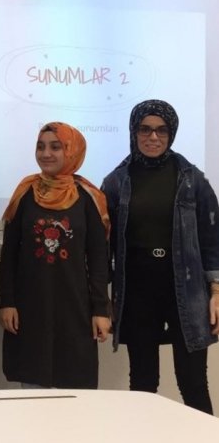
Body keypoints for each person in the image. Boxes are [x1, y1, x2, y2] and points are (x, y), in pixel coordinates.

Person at [102, 100, 219, 414]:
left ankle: (203, 436)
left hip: (187, 290)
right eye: (145, 129)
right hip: (138, 290)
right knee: (143, 383)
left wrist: (216, 291)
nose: (153, 137)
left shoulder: (193, 179)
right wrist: (103, 297)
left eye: (161, 130)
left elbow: (212, 240)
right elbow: (103, 246)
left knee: (193, 382)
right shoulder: (116, 181)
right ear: (134, 131)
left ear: (171, 134)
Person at [0, 122, 111, 389]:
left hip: (75, 306)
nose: (45, 153)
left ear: (71, 151)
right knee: (32, 386)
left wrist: (101, 310)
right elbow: (9, 254)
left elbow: (98, 259)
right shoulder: (25, 194)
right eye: (40, 147)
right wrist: (7, 301)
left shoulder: (89, 198)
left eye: (55, 147)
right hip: (30, 305)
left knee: (74, 388)